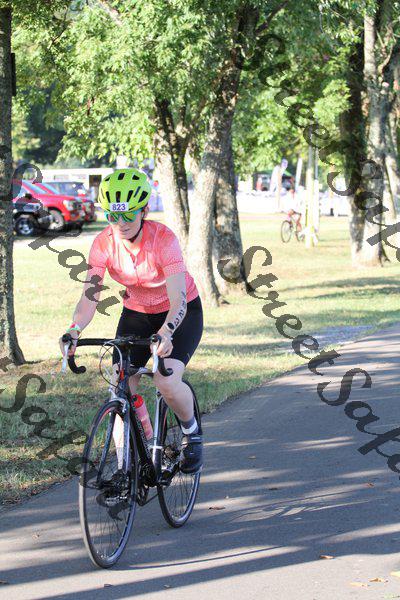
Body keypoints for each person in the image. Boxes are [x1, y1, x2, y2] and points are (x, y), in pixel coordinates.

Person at [59, 168, 204, 474]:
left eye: (128, 215)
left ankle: (191, 433)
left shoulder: (163, 239)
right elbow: (89, 297)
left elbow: (178, 299)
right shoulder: (103, 244)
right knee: (120, 385)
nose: (120, 223)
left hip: (179, 314)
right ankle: (128, 466)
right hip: (137, 313)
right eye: (112, 216)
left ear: (144, 211)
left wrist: (166, 332)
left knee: (165, 380)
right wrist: (74, 329)